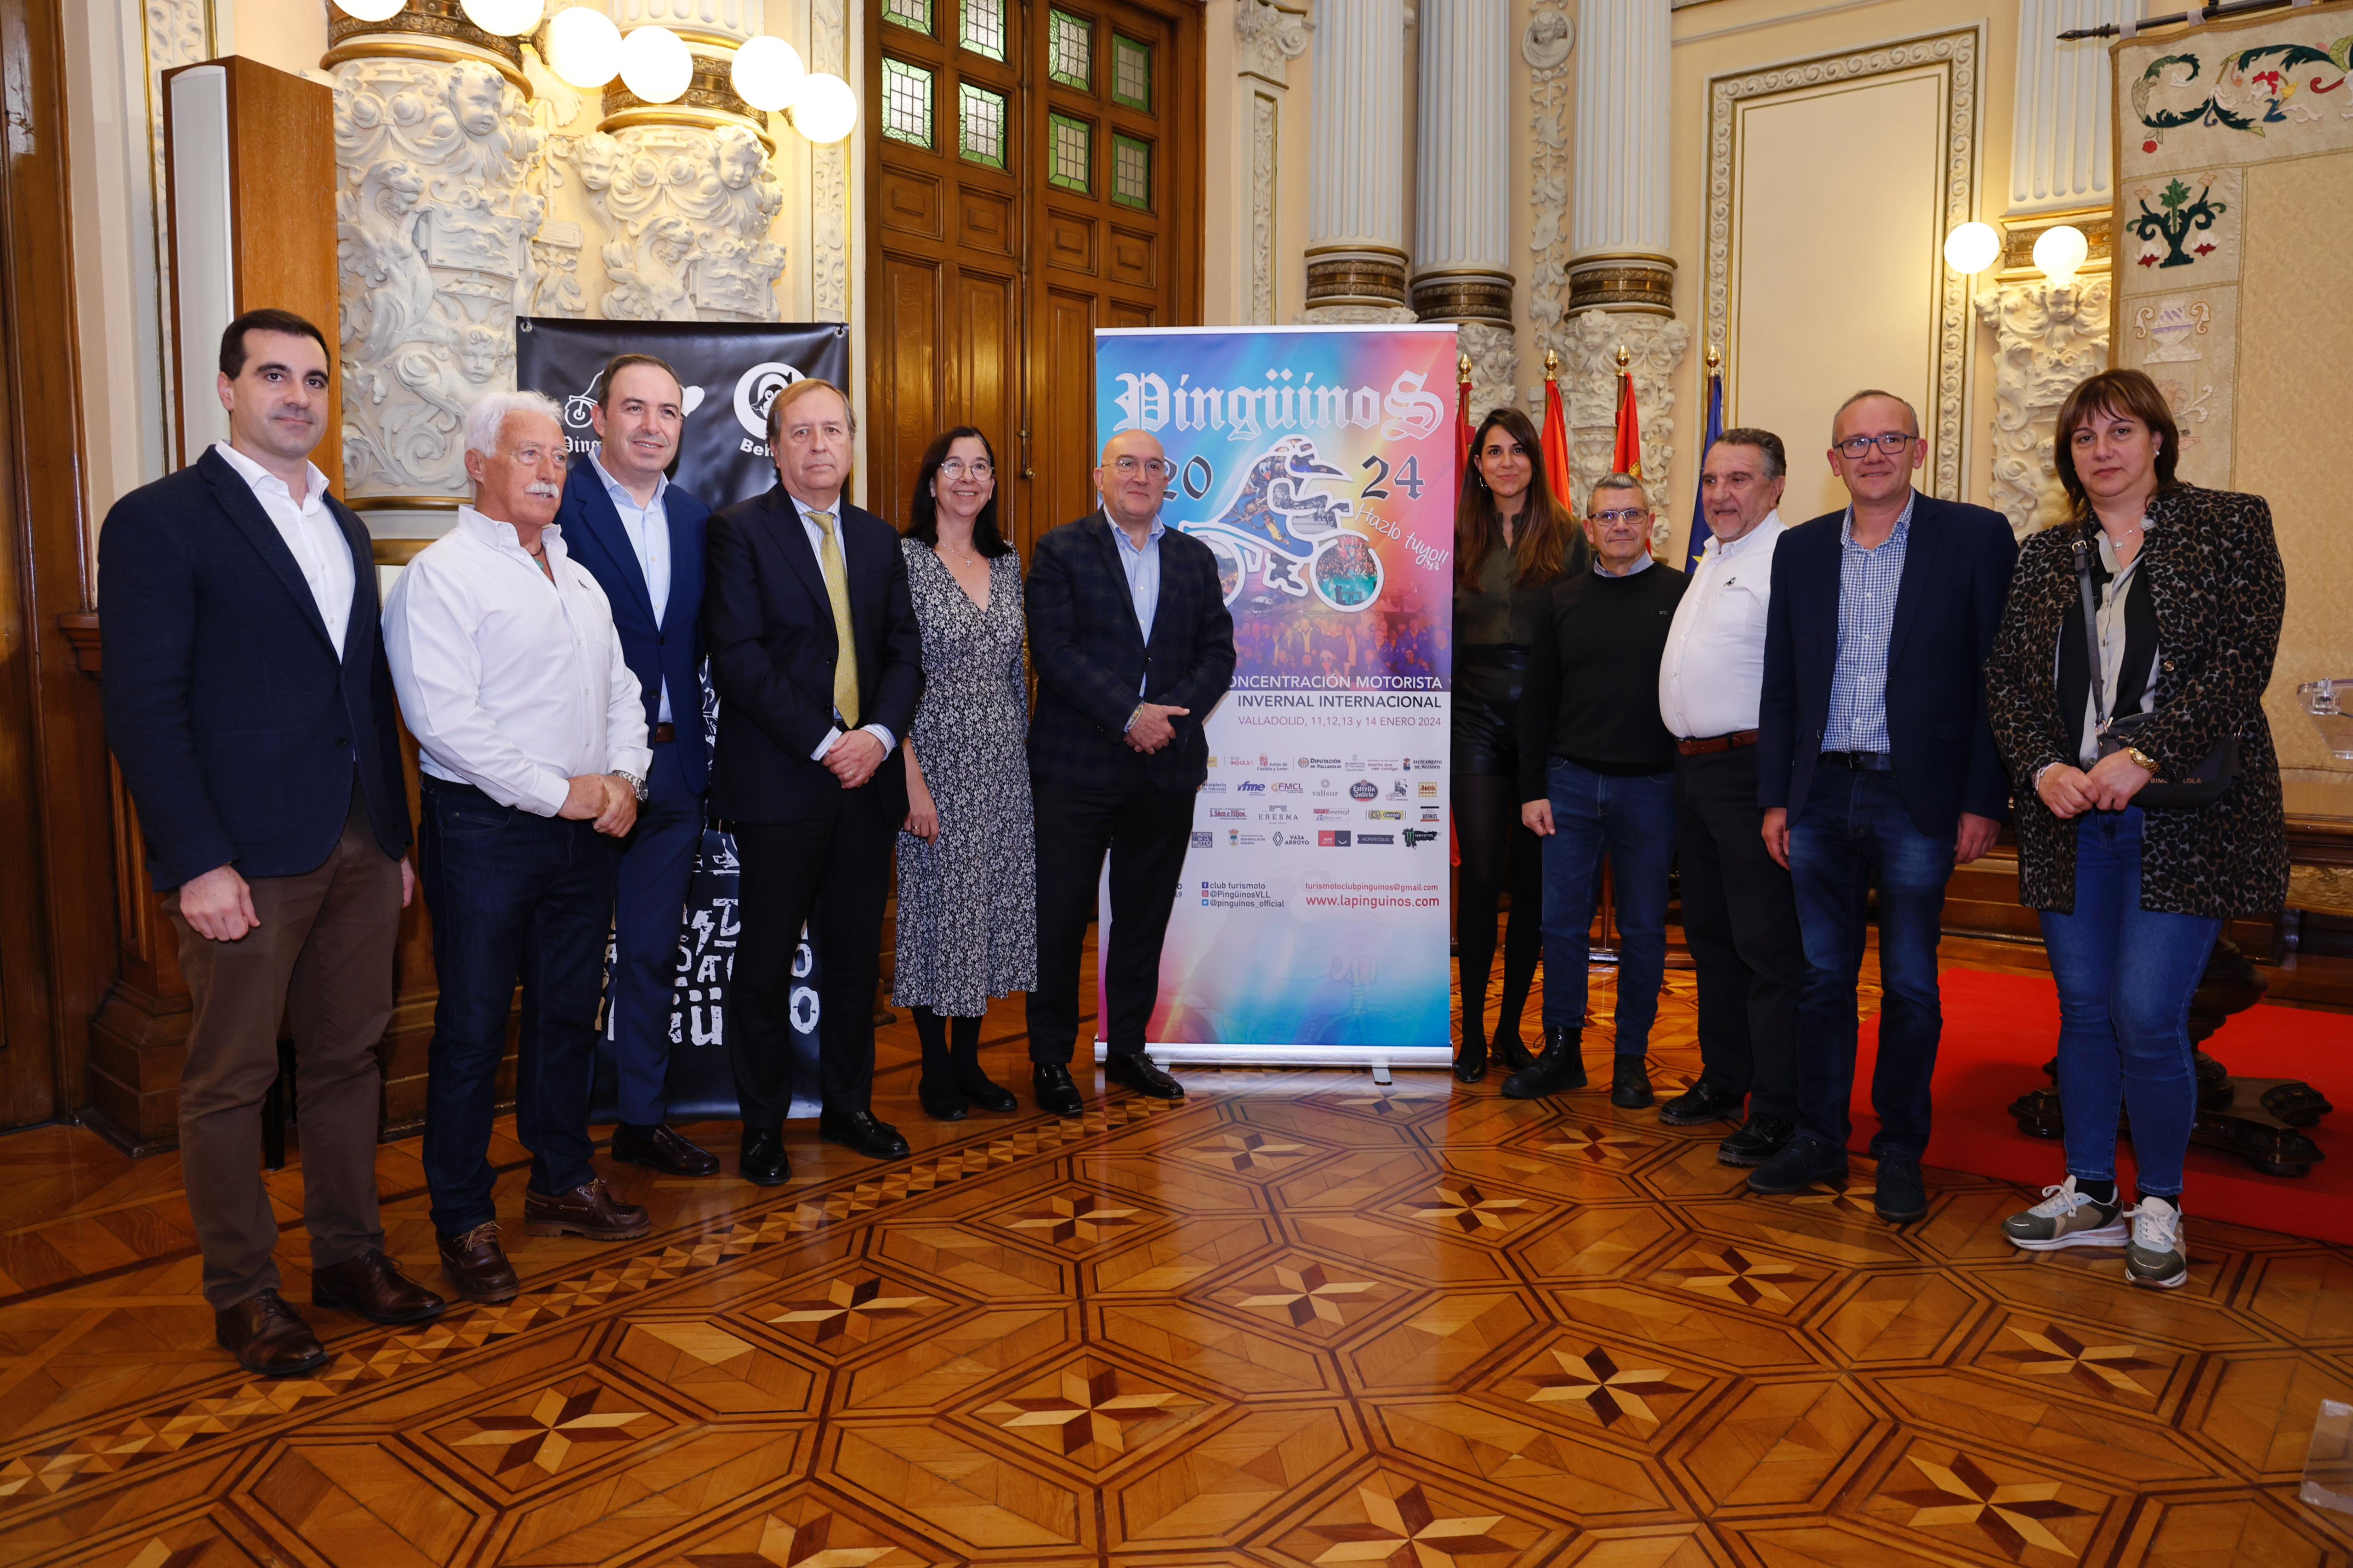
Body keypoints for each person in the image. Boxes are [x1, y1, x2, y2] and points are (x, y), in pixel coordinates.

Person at [100, 307, 443, 1375]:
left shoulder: (341, 522)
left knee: (347, 1059)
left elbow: (363, 691)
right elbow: (144, 707)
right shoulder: (160, 519)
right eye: (274, 376)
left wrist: (393, 838)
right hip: (241, 859)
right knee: (231, 1079)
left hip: (357, 841)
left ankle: (348, 1256)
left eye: (314, 379)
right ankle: (244, 1292)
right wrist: (197, 860)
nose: (298, 396)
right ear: (227, 388)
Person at [1985, 368, 2286, 1288]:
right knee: (2082, 1012)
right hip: (2071, 817)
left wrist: (2145, 753)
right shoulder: (2046, 555)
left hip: (2183, 820)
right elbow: (2008, 680)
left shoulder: (2228, 525)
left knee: (2148, 1015)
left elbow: (2241, 662)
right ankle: (2088, 1190)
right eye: (2084, 437)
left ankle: (2159, 1200)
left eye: (2120, 431)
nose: (2102, 450)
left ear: (2159, 439)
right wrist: (2044, 767)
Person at [385, 390, 651, 1305]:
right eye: (529, 454)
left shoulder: (577, 577)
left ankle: (560, 1178)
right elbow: (444, 723)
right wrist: (562, 791)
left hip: (585, 834)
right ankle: (462, 1217)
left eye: (559, 457)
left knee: (567, 1016)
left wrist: (624, 779)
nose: (550, 471)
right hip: (486, 835)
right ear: (478, 465)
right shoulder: (440, 576)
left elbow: (622, 691)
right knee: (470, 1030)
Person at [1751, 390, 2018, 1223]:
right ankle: (1820, 1139)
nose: (1873, 454)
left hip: (1919, 796)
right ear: (1833, 462)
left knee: (1909, 984)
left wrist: (1985, 797)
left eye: (1890, 439)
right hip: (1821, 793)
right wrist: (1776, 800)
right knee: (1822, 979)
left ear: (1918, 450)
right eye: (1856, 443)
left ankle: (1901, 1149)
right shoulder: (1799, 550)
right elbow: (1781, 686)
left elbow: (1999, 680)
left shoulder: (1974, 537)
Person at [705, 379, 922, 1181]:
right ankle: (762, 1126)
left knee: (855, 960)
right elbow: (740, 660)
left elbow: (904, 654)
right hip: (782, 783)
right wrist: (830, 742)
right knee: (765, 962)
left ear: (852, 444)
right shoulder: (738, 532)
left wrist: (878, 737)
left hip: (867, 786)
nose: (819, 445)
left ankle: (849, 1107)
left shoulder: (878, 539)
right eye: (801, 432)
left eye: (833, 430)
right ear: (775, 447)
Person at [1024, 429, 1236, 1116]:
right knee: (1060, 919)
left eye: (1153, 466)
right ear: (1100, 476)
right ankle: (1051, 1058)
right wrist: (1129, 715)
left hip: (1165, 768)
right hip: (1075, 769)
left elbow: (1219, 653)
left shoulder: (1196, 559)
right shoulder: (1061, 550)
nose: (1140, 476)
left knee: (1143, 918)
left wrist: (1166, 722)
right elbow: (1054, 652)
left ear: (1166, 480)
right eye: (1127, 464)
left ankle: (1129, 1050)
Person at [557, 353, 718, 1178]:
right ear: (598, 418)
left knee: (654, 954)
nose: (653, 427)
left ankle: (641, 1120)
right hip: (582, 777)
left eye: (668, 413)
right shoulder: (559, 505)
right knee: (571, 963)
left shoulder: (696, 519)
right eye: (635, 409)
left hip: (676, 769)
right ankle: (559, 1148)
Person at [1657, 430, 1807, 1166]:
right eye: (1712, 479)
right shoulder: (1712, 557)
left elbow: (1801, 684)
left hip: (1752, 774)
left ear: (1776, 487)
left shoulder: (1788, 560)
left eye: (1739, 479)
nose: (1720, 494)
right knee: (1712, 941)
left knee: (1767, 948)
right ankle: (1725, 1078)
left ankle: (1778, 1107)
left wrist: (1782, 794)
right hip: (1694, 775)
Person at [1515, 475, 1687, 1103]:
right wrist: (1532, 788)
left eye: (1631, 514)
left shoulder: (1682, 594)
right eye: (1606, 517)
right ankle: (1562, 1051)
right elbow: (1538, 701)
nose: (1620, 526)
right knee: (1561, 925)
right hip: (1569, 784)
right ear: (1588, 529)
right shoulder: (1560, 601)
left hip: (1653, 788)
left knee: (1643, 929)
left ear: (1650, 523)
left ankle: (1631, 1060)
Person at [895, 427, 1036, 1120]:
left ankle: (971, 1063)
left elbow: (1017, 672)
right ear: (932, 481)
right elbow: (890, 677)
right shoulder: (904, 561)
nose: (968, 478)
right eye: (954, 465)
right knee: (936, 916)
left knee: (985, 915)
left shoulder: (1008, 563)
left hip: (1004, 770)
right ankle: (934, 1068)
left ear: (992, 484)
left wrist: (1022, 766)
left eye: (981, 466)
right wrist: (909, 779)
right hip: (933, 764)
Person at [1450, 408, 1587, 1082]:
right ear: (1478, 464)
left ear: (1535, 459)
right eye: (1494, 452)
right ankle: (1473, 1032)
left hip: (1545, 722)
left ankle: (1510, 1031)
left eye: (1519, 450)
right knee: (1481, 876)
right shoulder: (1452, 534)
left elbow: (1584, 629)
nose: (1507, 463)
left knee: (1534, 884)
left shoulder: (1568, 535)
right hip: (1472, 715)